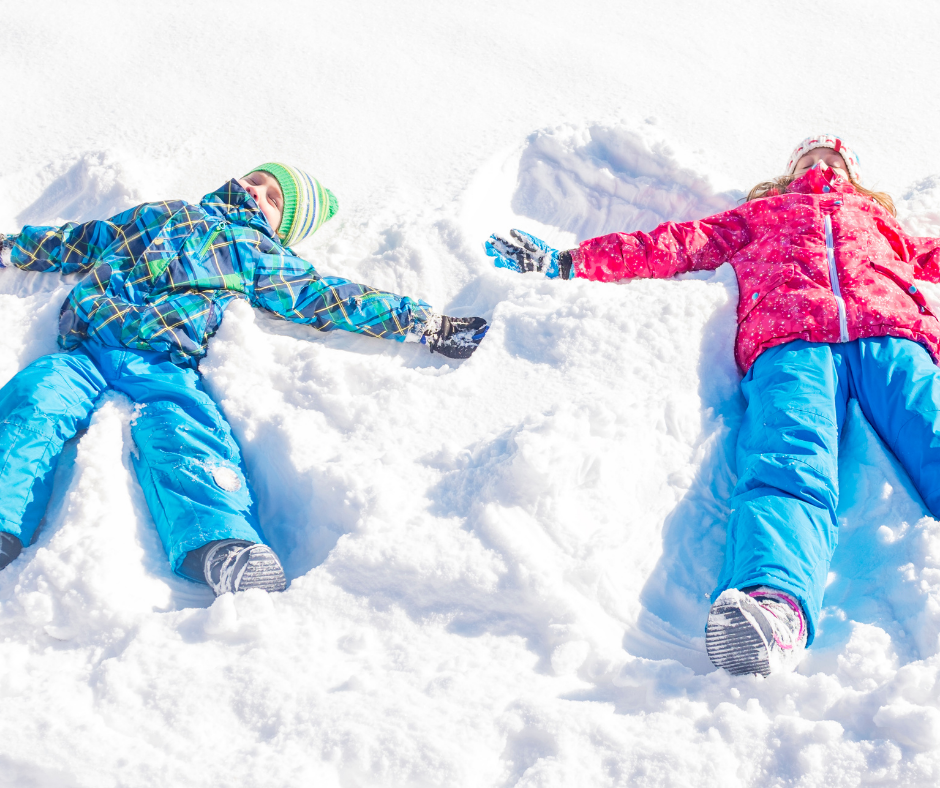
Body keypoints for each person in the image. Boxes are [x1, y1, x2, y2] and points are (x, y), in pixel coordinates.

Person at [486, 134, 940, 677]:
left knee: (932, 427)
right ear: (790, 171)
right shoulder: (758, 215)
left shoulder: (879, 222)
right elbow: (674, 244)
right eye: (810, 158)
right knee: (787, 461)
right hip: (790, 342)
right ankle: (776, 607)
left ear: (854, 175)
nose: (822, 166)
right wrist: (570, 260)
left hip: (893, 335)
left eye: (834, 159)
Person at [0, 162, 488, 596]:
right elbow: (81, 240)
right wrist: (12, 249)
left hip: (165, 360)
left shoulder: (259, 253)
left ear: (284, 229)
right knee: (33, 402)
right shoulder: (164, 213)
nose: (258, 192)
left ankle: (220, 545)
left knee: (185, 433)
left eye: (275, 200)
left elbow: (330, 298)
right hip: (86, 345)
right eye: (257, 180)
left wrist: (425, 325)